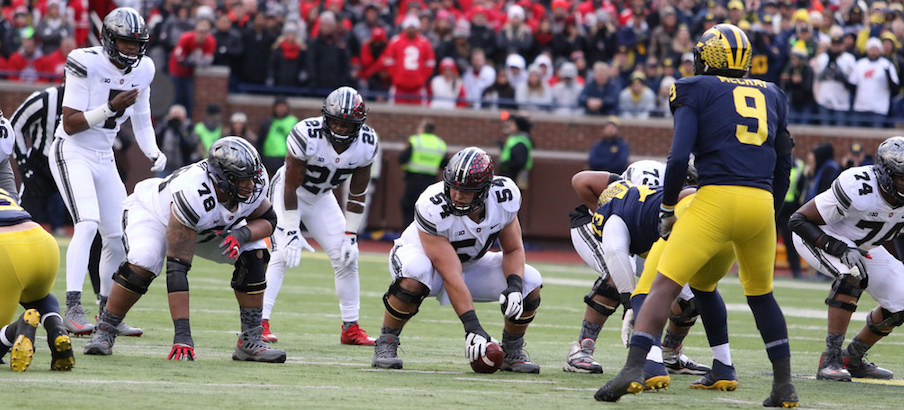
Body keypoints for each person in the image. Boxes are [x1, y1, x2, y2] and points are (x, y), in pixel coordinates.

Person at [595, 24, 796, 407]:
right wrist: (771, 210)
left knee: (664, 286)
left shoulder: (692, 88)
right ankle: (784, 385)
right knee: (762, 296)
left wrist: (669, 207)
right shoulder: (773, 93)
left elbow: (677, 157)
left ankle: (634, 368)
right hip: (760, 203)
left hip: (715, 199)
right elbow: (784, 159)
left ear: (704, 56)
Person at [83, 137, 285, 363]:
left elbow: (268, 219)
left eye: (252, 177)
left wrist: (241, 234)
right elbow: (177, 268)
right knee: (145, 260)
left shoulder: (254, 183)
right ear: (221, 179)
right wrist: (182, 335)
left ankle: (250, 340)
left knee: (255, 251)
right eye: (242, 180)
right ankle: (105, 329)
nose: (251, 185)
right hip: (154, 215)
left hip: (205, 226)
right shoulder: (192, 192)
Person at [49, 7, 166, 338]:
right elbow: (70, 124)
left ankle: (106, 312)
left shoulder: (144, 68)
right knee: (86, 223)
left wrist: (153, 151)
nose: (131, 50)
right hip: (72, 150)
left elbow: (142, 117)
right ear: (109, 40)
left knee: (117, 235)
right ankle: (71, 306)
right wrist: (110, 108)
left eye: (136, 44)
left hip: (104, 155)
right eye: (125, 43)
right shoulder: (85, 61)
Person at [371, 147, 543, 373]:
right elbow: (450, 273)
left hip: (468, 264)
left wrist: (514, 286)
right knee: (416, 271)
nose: (457, 195)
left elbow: (512, 249)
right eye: (453, 188)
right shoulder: (432, 205)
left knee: (530, 280)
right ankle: (386, 342)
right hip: (422, 259)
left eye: (467, 191)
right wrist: (472, 327)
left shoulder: (504, 196)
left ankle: (511, 351)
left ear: (484, 190)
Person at [565, 163, 711, 381]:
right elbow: (581, 180)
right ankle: (583, 347)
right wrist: (629, 304)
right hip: (609, 221)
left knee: (691, 297)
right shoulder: (625, 202)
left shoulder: (693, 200)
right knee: (616, 278)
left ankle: (669, 353)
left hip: (646, 235)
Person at [262, 86, 378, 345]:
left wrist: (351, 234)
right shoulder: (307, 134)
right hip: (288, 193)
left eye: (347, 125)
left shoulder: (366, 144)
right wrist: (291, 229)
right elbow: (290, 186)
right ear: (326, 118)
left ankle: (350, 328)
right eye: (335, 122)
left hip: (322, 197)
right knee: (282, 254)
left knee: (347, 258)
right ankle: (258, 322)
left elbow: (358, 193)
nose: (339, 129)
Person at [789, 136, 904, 382]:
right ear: (885, 174)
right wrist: (839, 249)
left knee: (902, 298)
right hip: (821, 235)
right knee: (852, 275)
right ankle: (830, 359)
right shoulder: (858, 185)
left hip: (863, 245)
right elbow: (798, 220)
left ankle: (851, 358)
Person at [0, 109, 72, 372]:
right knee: (37, 295)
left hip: (6, 253)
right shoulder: (4, 165)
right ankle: (55, 328)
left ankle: (16, 330)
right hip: (42, 242)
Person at [399, 119, 448, 228]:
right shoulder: (440, 144)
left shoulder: (415, 141)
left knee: (409, 207)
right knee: (428, 209)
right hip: (430, 181)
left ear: (422, 129)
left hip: (413, 180)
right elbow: (444, 164)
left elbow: (402, 159)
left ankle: (407, 234)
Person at [168, 17, 215, 117]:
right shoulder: (186, 38)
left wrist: (190, 60)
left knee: (190, 99)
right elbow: (178, 57)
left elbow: (208, 60)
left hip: (190, 72)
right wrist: (193, 60)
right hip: (177, 70)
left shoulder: (210, 41)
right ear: (195, 31)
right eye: (200, 31)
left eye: (205, 32)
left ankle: (188, 119)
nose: (202, 35)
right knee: (175, 97)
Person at [257, 96, 297, 176]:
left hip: (285, 158)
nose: (281, 109)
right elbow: (260, 141)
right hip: (269, 158)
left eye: (283, 106)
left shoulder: (292, 121)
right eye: (278, 107)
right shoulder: (268, 122)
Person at [498, 112, 533, 189]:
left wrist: (505, 163)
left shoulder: (520, 141)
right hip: (508, 173)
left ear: (518, 126)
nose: (510, 125)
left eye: (513, 124)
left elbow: (520, 161)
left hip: (513, 175)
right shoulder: (514, 138)